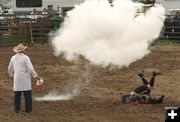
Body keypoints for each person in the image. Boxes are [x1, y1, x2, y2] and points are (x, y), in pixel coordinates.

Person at [8, 44, 42, 113]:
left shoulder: (13, 58)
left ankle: (17, 109)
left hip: (17, 78)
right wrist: (35, 76)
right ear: (23, 50)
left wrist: (11, 74)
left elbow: (9, 68)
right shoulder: (26, 57)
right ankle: (28, 110)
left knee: (17, 95)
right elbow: (30, 68)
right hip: (25, 78)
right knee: (27, 94)